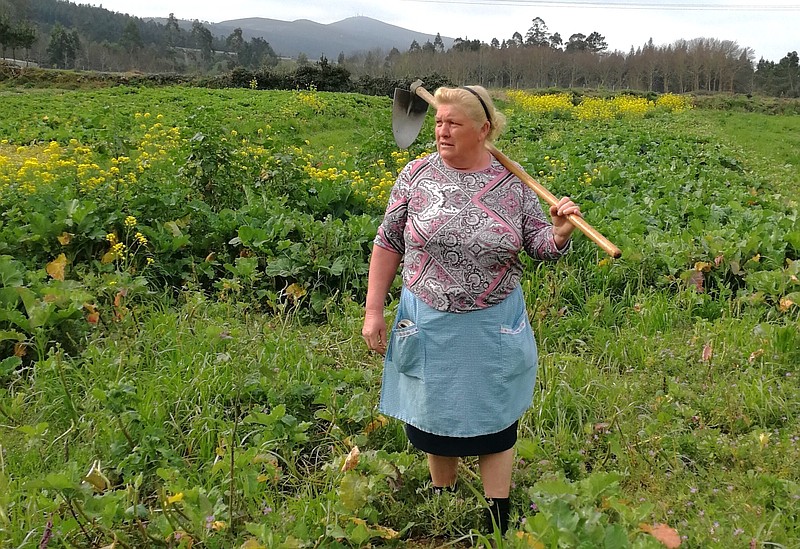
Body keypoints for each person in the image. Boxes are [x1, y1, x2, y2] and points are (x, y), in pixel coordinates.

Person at [362, 85, 581, 535]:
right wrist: (374, 311)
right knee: (433, 415)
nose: (441, 131)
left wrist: (558, 233)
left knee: (495, 420)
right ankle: (443, 499)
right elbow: (388, 242)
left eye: (453, 123)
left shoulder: (514, 183)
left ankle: (497, 515)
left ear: (483, 130)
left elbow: (538, 244)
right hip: (428, 318)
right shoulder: (416, 176)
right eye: (438, 122)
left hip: (492, 322)